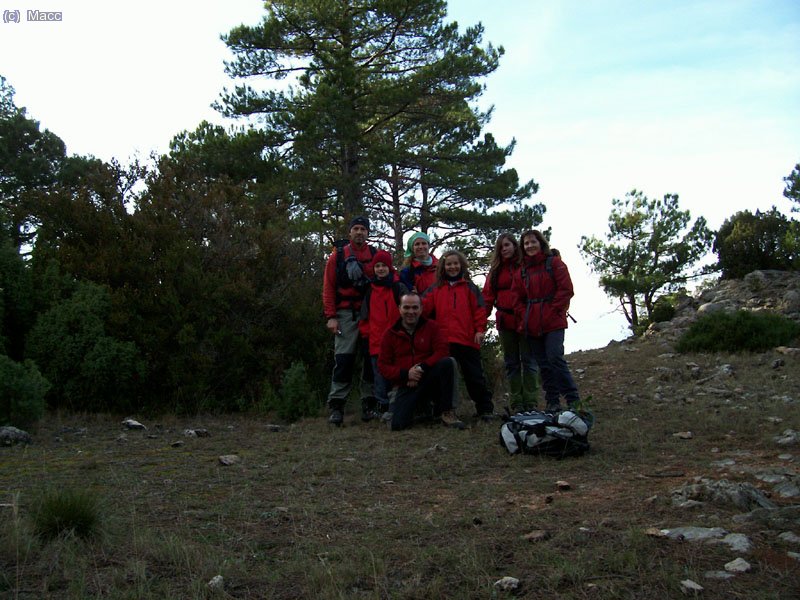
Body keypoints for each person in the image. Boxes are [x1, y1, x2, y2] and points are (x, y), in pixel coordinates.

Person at [421, 249, 497, 421]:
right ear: (443, 267)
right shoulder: (435, 289)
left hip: (467, 339)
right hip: (444, 342)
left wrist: (480, 330)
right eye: (449, 264)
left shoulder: (470, 287)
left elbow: (479, 310)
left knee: (475, 377)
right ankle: (444, 410)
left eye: (456, 263)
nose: (453, 267)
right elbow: (424, 309)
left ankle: (485, 409)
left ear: (461, 265)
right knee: (445, 378)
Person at [512, 229, 580, 412]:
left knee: (555, 358)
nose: (530, 246)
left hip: (553, 322)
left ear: (541, 243)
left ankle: (573, 400)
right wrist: (524, 315)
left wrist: (552, 310)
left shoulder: (555, 263)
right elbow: (516, 297)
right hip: (532, 324)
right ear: (522, 247)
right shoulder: (522, 271)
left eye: (533, 242)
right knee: (543, 364)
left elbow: (566, 289)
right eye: (526, 243)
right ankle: (553, 401)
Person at [378, 292, 465, 431]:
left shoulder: (432, 327)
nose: (410, 312)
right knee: (397, 425)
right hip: (404, 383)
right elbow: (383, 366)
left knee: (448, 362)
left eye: (415, 307)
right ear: (399, 308)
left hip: (427, 377)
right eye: (406, 307)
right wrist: (406, 374)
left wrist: (420, 369)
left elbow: (442, 351)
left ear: (421, 308)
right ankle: (423, 410)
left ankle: (447, 411)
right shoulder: (390, 334)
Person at [322, 215, 378, 425]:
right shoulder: (337, 257)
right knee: (344, 360)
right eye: (356, 228)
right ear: (350, 232)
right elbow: (328, 287)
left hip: (369, 314)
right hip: (345, 315)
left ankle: (368, 404)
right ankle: (337, 406)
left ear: (368, 233)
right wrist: (331, 316)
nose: (359, 232)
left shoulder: (374, 255)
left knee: (369, 360)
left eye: (363, 229)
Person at [482, 233, 538, 412]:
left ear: (515, 246)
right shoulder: (495, 271)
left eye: (507, 245)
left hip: (527, 319)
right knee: (512, 362)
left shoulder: (525, 266)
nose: (504, 249)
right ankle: (516, 401)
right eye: (501, 247)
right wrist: (480, 322)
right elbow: (488, 297)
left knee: (528, 360)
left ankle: (531, 400)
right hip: (505, 321)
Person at [358, 250, 408, 420]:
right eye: (377, 266)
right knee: (379, 378)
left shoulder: (398, 287)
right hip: (376, 343)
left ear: (390, 267)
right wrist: (366, 338)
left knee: (397, 375)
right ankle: (381, 406)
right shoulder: (369, 291)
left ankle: (397, 406)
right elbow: (364, 318)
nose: (380, 269)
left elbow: (408, 312)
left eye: (383, 266)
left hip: (398, 341)